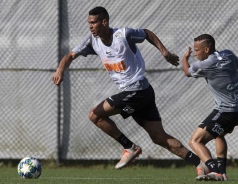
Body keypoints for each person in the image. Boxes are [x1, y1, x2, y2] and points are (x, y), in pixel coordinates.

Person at [52, 6, 208, 176]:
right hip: (142, 93)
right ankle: (201, 164)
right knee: (159, 137)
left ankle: (129, 147)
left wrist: (164, 52)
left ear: (104, 22)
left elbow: (147, 33)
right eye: (89, 23)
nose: (90, 26)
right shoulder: (92, 40)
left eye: (93, 22)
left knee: (94, 115)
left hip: (137, 90)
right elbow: (70, 56)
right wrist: (60, 70)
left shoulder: (123, 35)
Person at [182, 34, 238, 181]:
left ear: (207, 48)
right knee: (219, 135)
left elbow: (187, 72)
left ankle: (214, 170)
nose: (195, 53)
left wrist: (185, 58)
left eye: (197, 50)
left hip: (225, 112)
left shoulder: (205, 64)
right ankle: (222, 172)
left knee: (195, 141)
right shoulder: (228, 54)